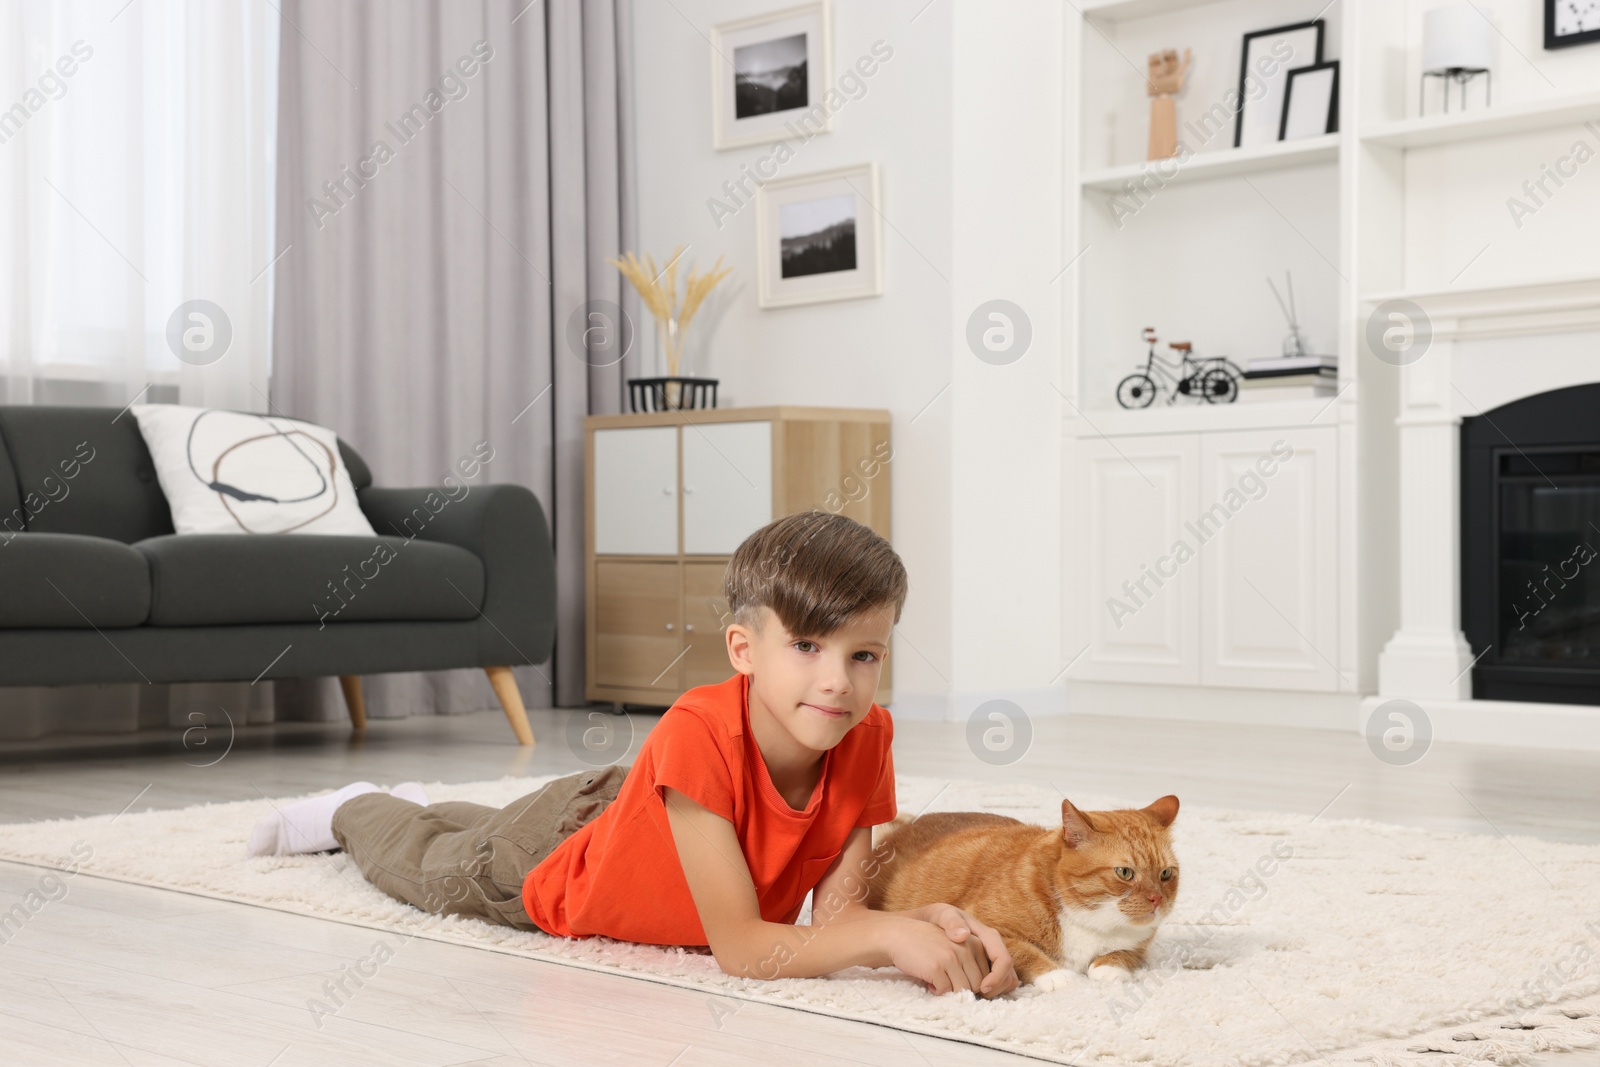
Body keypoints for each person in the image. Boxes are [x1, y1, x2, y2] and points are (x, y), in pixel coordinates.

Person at [246, 510, 1017, 997]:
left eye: (864, 655)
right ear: (743, 649)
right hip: (550, 861)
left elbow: (840, 916)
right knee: (432, 864)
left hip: (631, 808)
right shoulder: (698, 727)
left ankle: (423, 800)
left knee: (473, 821)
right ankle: (356, 805)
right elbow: (745, 949)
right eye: (808, 645)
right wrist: (887, 937)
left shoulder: (868, 735)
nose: (837, 681)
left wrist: (928, 923)